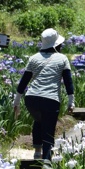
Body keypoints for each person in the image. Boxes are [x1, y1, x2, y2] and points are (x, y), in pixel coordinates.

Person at [13, 28, 73, 161]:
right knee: (49, 129)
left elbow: (24, 82)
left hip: (31, 99)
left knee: (38, 120)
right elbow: (68, 82)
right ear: (57, 44)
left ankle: (37, 151)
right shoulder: (62, 58)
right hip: (50, 99)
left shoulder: (33, 58)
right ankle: (46, 162)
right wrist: (71, 101)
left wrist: (16, 102)